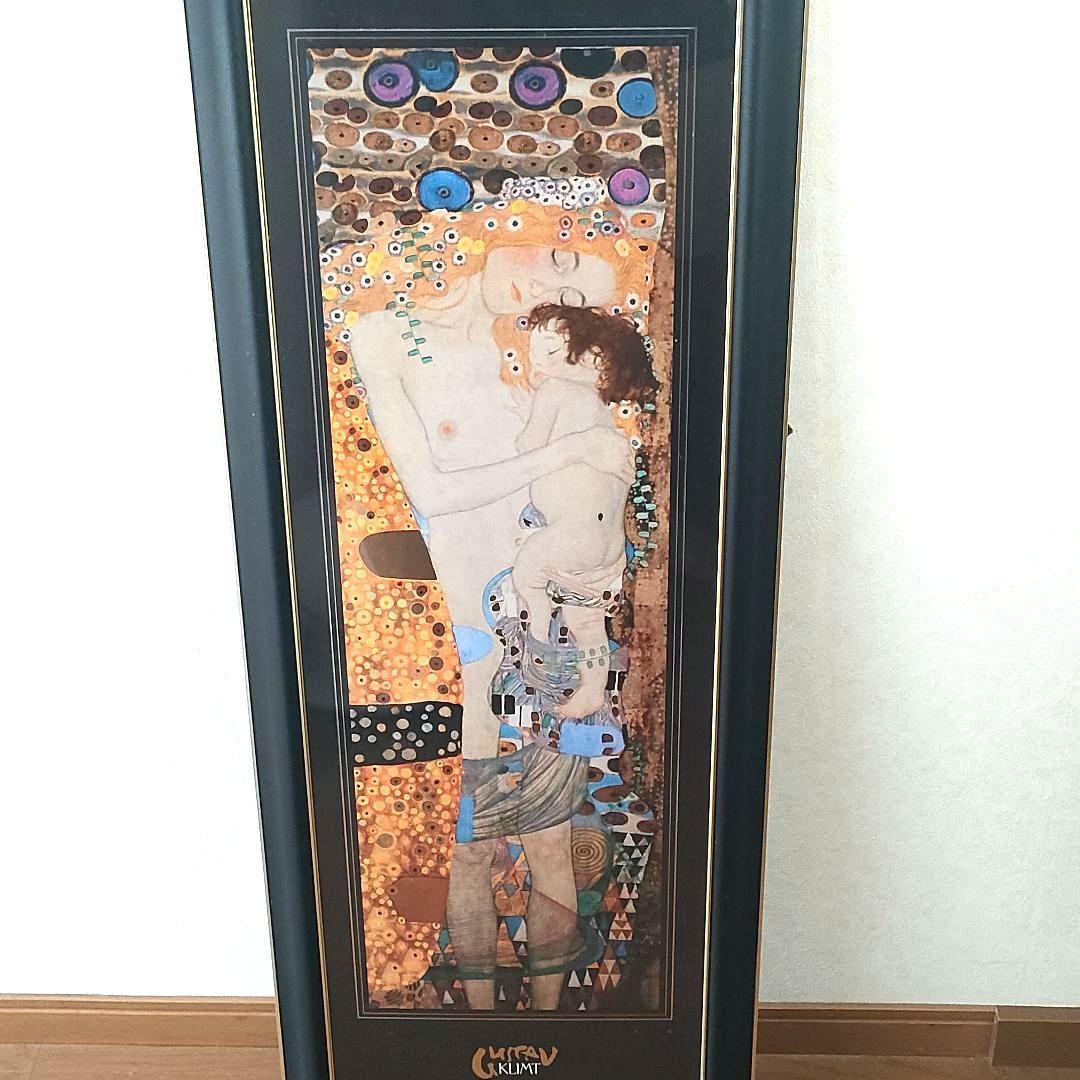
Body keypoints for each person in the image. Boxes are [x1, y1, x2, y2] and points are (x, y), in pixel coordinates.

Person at [325, 186, 656, 1009]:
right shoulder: (386, 333)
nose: (548, 292)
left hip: (543, 638)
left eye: (573, 297)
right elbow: (433, 493)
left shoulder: (538, 375)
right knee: (467, 849)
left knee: (551, 843)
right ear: (512, 223)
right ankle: (472, 1026)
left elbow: (581, 502)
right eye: (557, 259)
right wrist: (569, 451)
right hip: (454, 642)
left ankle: (552, 1029)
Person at [512, 302, 659, 720]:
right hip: (607, 547)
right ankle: (593, 689)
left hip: (569, 536)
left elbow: (528, 446)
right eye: (534, 354)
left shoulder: (556, 391)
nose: (540, 364)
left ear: (596, 360)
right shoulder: (602, 419)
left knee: (527, 572)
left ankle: (538, 627)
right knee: (587, 622)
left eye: (550, 353)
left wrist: (525, 416)